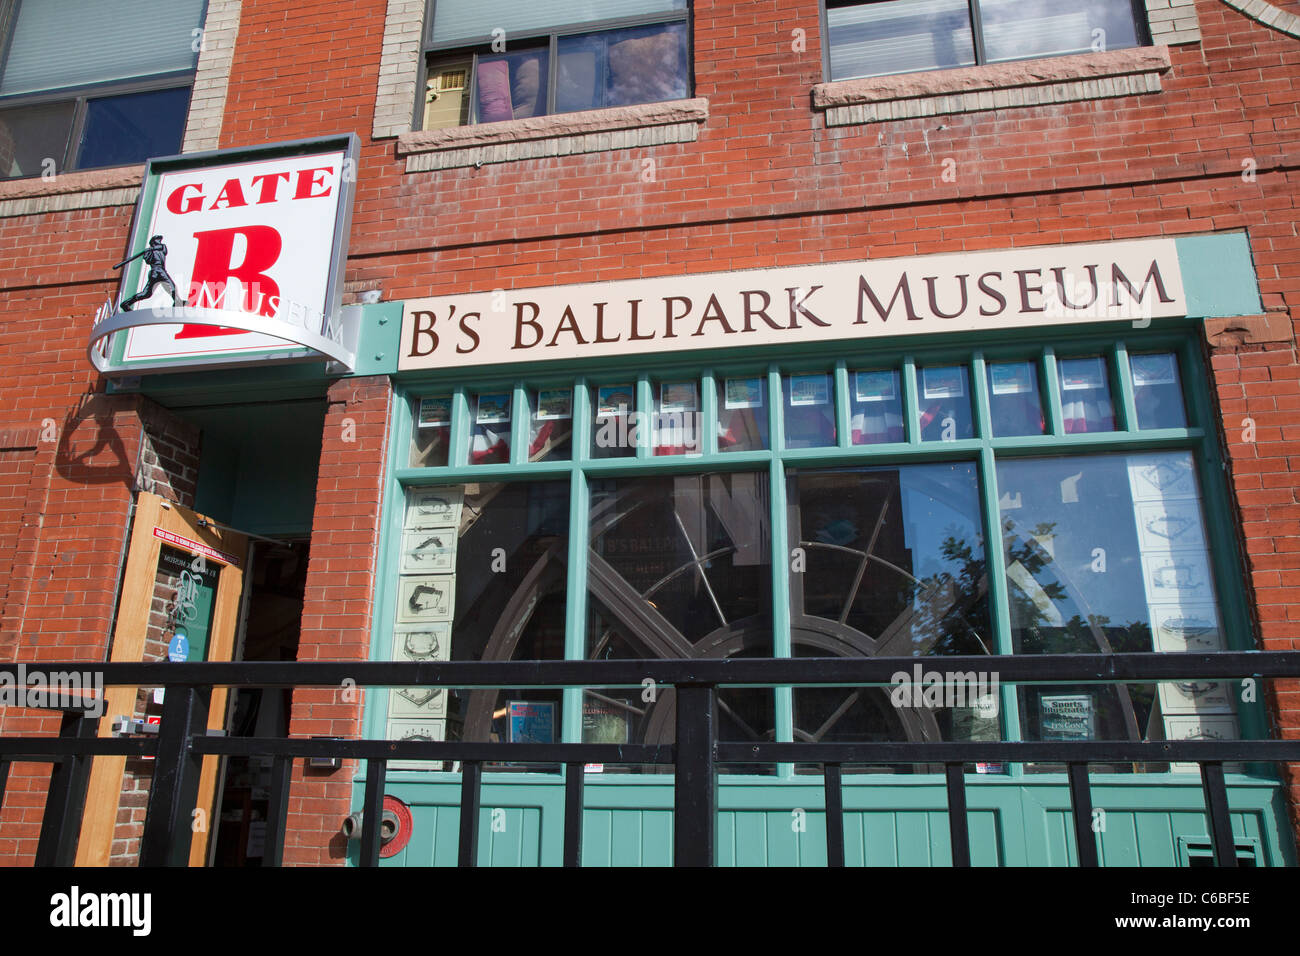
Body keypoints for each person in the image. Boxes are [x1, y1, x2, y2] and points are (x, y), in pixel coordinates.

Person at [115, 235, 186, 311]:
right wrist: (148, 252)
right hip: (155, 271)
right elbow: (148, 261)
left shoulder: (162, 248)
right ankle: (126, 304)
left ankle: (177, 302)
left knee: (171, 286)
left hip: (162, 270)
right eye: (157, 240)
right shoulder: (149, 251)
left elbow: (163, 248)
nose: (159, 241)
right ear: (153, 242)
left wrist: (152, 249)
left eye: (159, 240)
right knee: (147, 294)